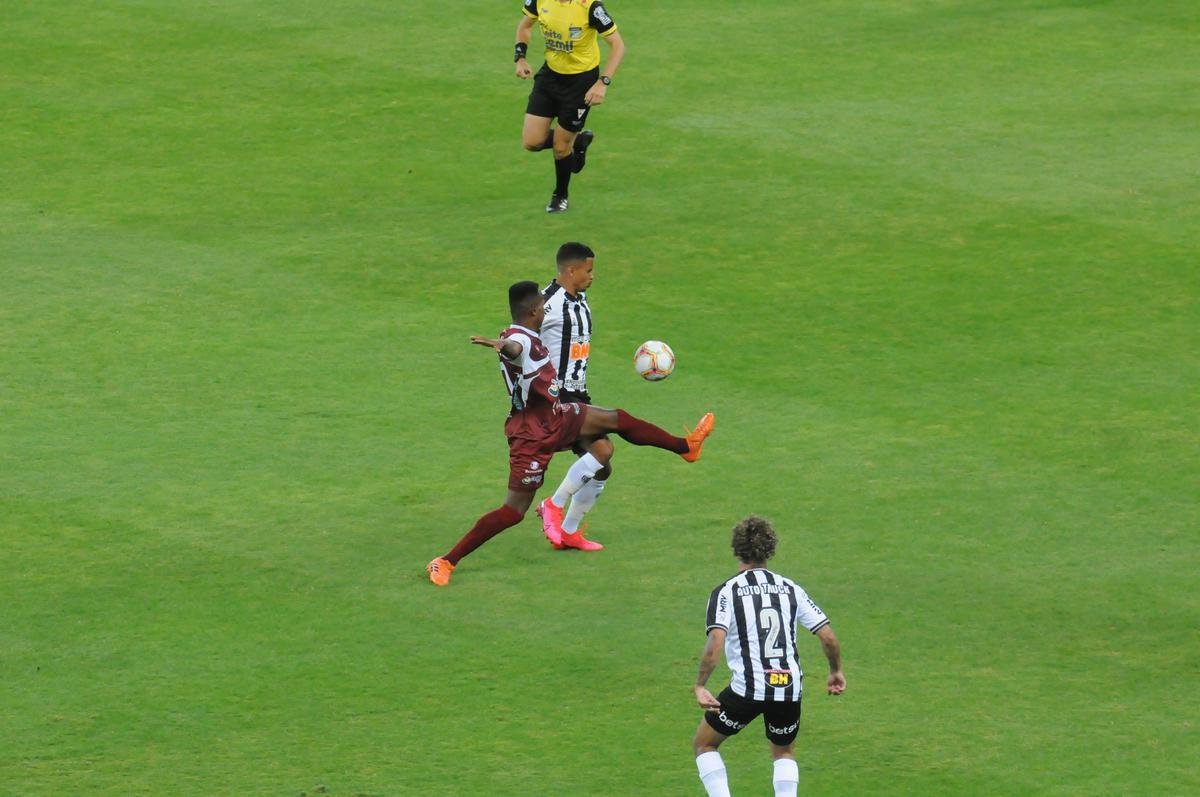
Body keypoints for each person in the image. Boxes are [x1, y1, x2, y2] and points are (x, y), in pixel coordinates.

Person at [426, 281, 713, 586]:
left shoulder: (526, 334)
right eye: (543, 305)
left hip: (558, 414)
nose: (546, 308)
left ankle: (686, 447)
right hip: (531, 434)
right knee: (513, 511)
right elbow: (514, 349)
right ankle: (445, 561)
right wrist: (502, 347)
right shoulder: (517, 339)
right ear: (535, 310)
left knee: (617, 420)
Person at [691, 516, 846, 797]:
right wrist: (835, 671)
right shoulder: (790, 588)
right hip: (788, 687)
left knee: (705, 744)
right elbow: (828, 637)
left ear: (737, 549)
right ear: (770, 549)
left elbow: (716, 641)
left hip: (747, 689)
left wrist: (701, 685)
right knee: (783, 751)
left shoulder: (728, 591)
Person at [514, 0, 626, 213]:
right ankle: (578, 141)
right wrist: (520, 58)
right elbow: (524, 26)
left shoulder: (591, 7)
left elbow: (618, 45)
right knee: (531, 141)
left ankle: (560, 195)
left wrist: (602, 83)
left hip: (580, 83)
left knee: (560, 147)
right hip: (549, 77)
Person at [536, 242, 609, 551]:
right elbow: (519, 336)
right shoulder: (546, 304)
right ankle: (552, 505)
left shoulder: (580, 299)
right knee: (603, 450)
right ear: (571, 270)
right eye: (588, 270)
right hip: (557, 396)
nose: (593, 276)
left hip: (579, 394)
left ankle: (567, 532)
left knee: (602, 466)